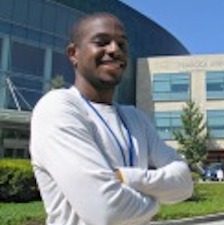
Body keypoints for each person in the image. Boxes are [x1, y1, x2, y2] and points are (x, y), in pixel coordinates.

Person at [30, 12, 193, 225]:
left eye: (122, 44)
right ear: (73, 54)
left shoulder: (135, 118)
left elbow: (184, 183)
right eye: (102, 42)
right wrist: (155, 202)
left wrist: (126, 178)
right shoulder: (58, 107)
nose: (115, 50)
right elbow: (106, 210)